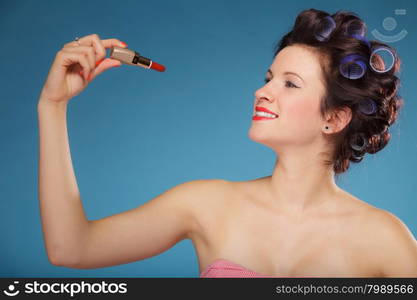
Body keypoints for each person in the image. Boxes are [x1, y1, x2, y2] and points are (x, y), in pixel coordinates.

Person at [37, 8, 417, 278]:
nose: (261, 91)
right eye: (268, 77)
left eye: (289, 83)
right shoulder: (203, 204)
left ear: (334, 119)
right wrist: (53, 106)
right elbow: (71, 248)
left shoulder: (386, 238)